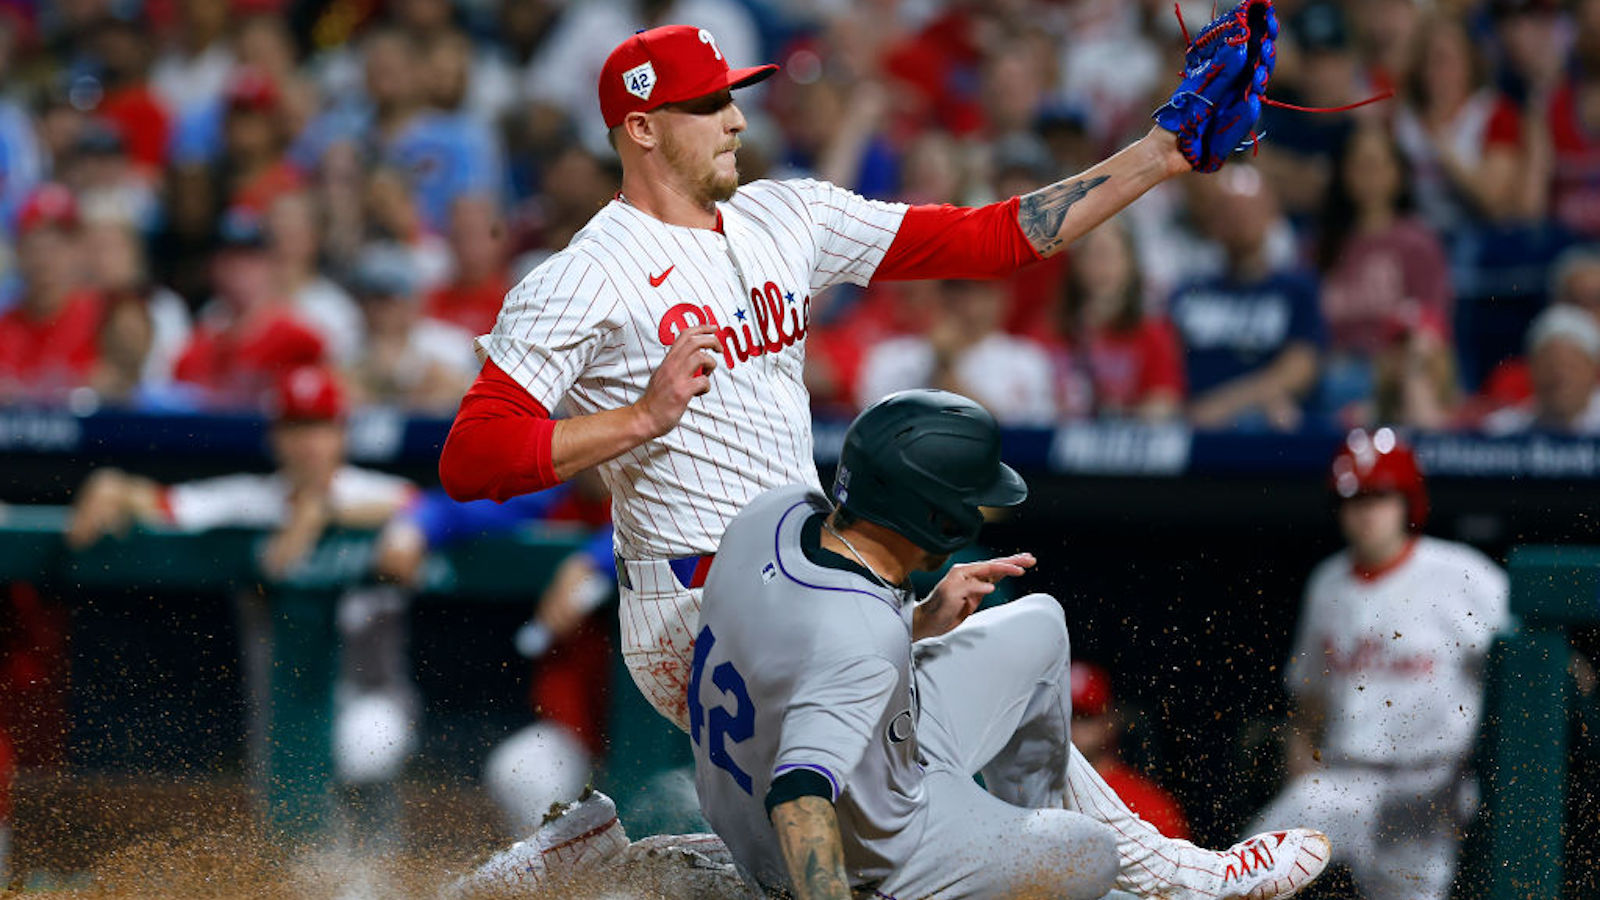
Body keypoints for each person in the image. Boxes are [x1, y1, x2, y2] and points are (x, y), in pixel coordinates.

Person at [439, 13, 1283, 885]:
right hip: (701, 603)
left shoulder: (785, 215)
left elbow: (987, 239)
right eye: (707, 106)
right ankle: (1176, 877)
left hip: (814, 577)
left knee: (869, 816)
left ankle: (597, 867)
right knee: (893, 801)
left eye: (734, 98)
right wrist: (637, 419)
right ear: (642, 128)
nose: (736, 120)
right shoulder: (587, 274)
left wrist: (1158, 155)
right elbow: (472, 457)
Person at [689, 390, 1329, 899]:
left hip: (857, 758)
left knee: (1040, 626)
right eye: (967, 500)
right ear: (932, 516)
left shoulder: (773, 514)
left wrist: (916, 620)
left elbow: (806, 649)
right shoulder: (857, 638)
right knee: (1086, 855)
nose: (979, 510)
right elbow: (800, 796)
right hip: (868, 849)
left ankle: (1095, 865)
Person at [65, 365, 422, 839]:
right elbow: (166, 504)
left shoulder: (378, 493)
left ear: (341, 433)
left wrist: (327, 511)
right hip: (278, 711)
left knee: (361, 754)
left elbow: (434, 507)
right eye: (295, 426)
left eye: (319, 425)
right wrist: (111, 484)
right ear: (275, 437)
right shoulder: (252, 499)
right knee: (291, 851)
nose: (308, 441)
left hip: (370, 698)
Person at [1245, 427, 1510, 900]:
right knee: (1244, 875)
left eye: (1378, 497)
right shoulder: (1327, 583)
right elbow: (1307, 702)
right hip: (1346, 780)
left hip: (1434, 789)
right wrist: (1304, 764)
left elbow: (1529, 668)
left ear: (1408, 501)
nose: (1365, 513)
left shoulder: (1462, 573)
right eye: (1353, 500)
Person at [1168, 166, 1324, 431]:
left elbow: (1299, 371)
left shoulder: (1297, 290)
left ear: (1271, 216)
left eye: (1249, 210)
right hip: (1193, 425)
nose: (1239, 221)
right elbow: (1165, 366)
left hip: (1262, 425)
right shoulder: (1187, 292)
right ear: (1213, 221)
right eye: (1229, 212)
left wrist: (1223, 406)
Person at [1070, 660, 1191, 840]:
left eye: (1085, 717)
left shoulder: (1147, 803)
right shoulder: (1028, 793)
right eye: (1064, 717)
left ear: (1109, 721)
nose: (1072, 728)